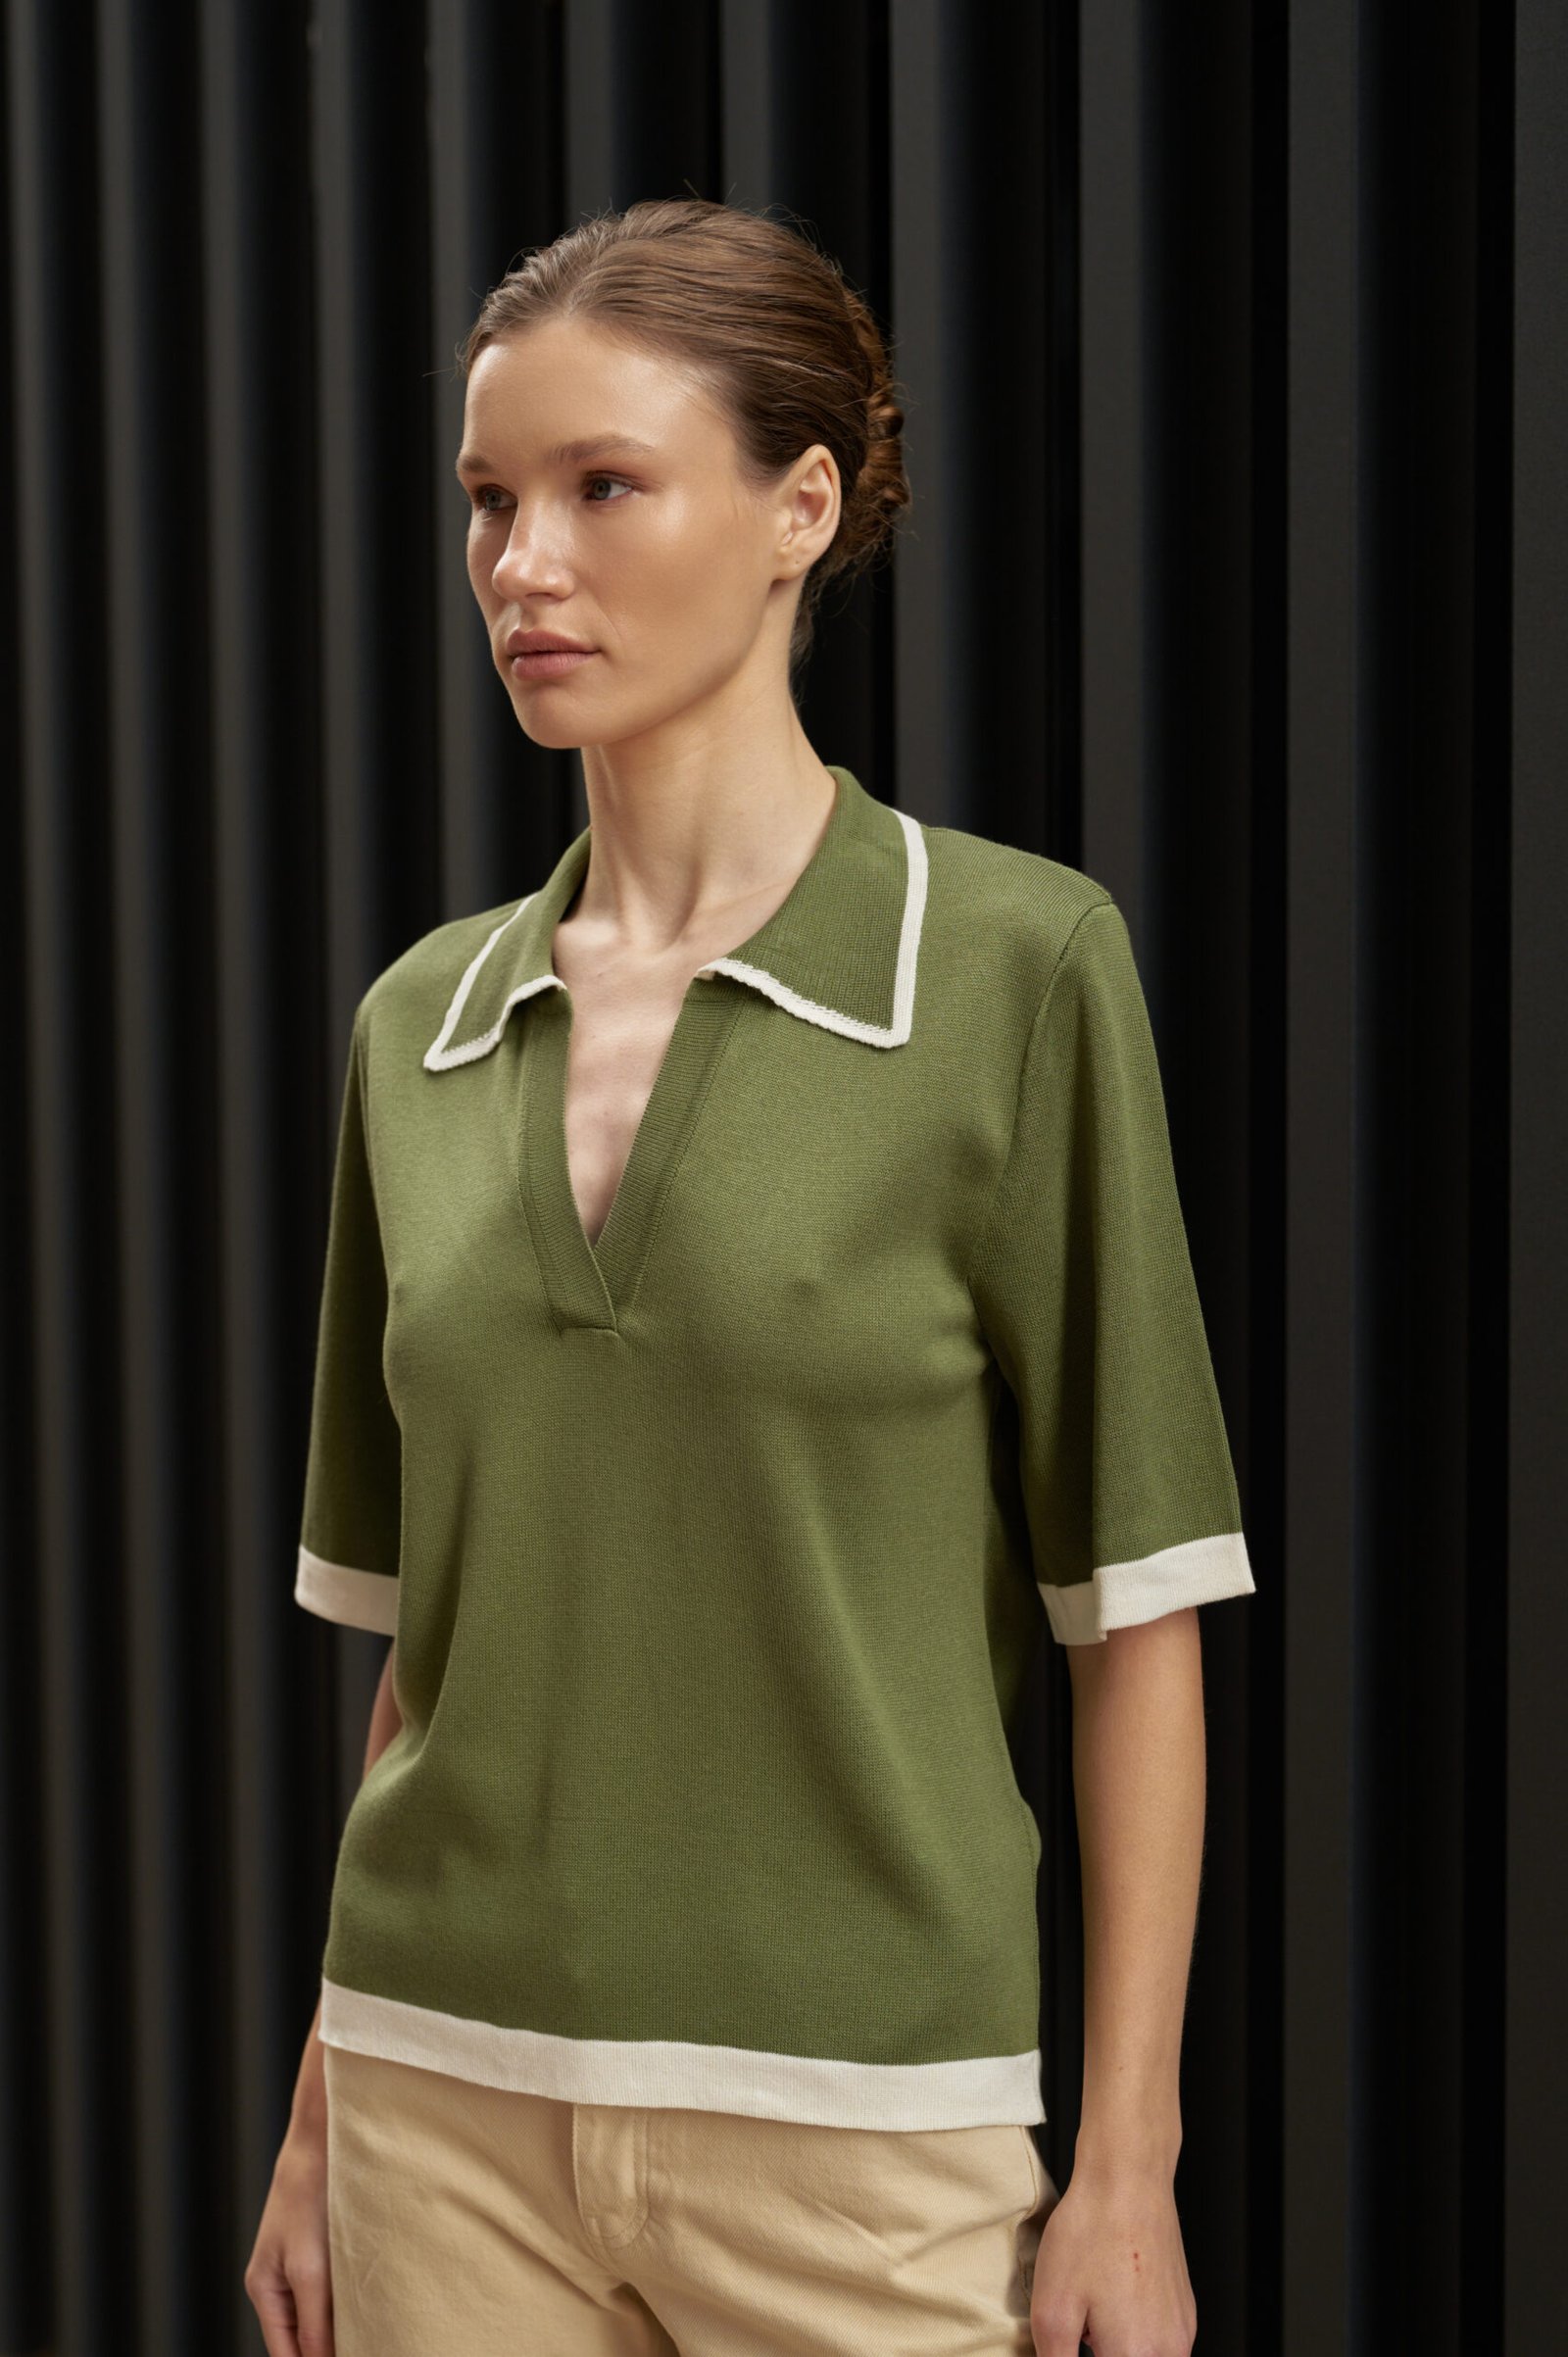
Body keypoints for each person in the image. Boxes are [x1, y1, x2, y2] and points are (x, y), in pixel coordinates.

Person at [244, 196, 1255, 2357]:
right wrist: (322, 2113)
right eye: (489, 500)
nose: (523, 564)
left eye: (603, 486)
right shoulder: (420, 1026)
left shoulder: (1012, 972)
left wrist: (1129, 2167)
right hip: (439, 2100)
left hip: (863, 2141)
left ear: (802, 508)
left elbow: (1139, 1620)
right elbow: (434, 1649)